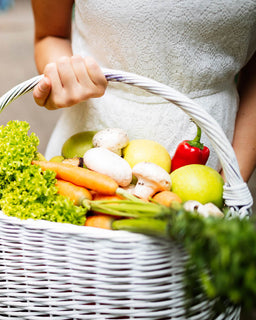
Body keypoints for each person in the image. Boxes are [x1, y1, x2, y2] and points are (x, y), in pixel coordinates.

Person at [31, 0, 256, 207]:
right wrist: (63, 78)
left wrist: (234, 181)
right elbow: (50, 35)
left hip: (215, 156)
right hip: (86, 155)